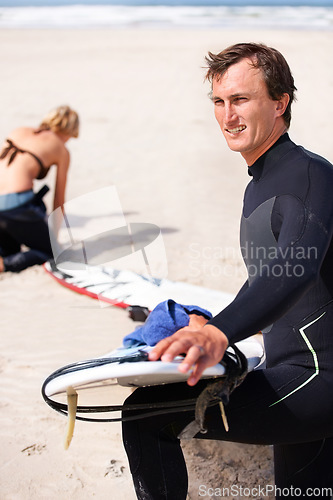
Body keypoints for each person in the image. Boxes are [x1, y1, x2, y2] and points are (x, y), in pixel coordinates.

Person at [121, 43, 333, 498]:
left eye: (240, 100)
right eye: (219, 102)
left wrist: (220, 332)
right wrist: (205, 319)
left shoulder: (310, 177)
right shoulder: (259, 186)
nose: (227, 116)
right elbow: (268, 277)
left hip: (317, 377)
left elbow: (296, 270)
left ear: (280, 102)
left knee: (147, 417)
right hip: (295, 374)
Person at [0, 105, 79, 273]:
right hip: (16, 205)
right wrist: (54, 240)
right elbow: (58, 200)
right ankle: (3, 265)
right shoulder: (61, 149)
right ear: (69, 131)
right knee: (48, 252)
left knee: (10, 250)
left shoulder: (19, 131)